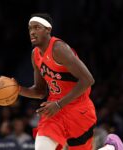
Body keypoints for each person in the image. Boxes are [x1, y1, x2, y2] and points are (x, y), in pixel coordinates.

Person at [17, 13, 97, 150]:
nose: (32, 32)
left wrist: (59, 105)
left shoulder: (59, 48)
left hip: (79, 109)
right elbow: (40, 91)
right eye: (30, 28)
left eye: (37, 27)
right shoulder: (35, 54)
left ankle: (111, 147)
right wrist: (17, 89)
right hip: (54, 112)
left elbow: (88, 80)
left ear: (48, 30)